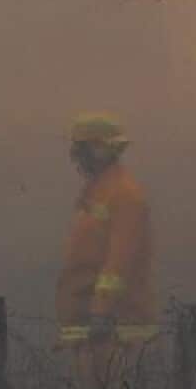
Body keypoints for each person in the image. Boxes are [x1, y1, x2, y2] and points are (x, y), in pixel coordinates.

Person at [54, 113, 156, 360]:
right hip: (91, 329)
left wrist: (101, 312)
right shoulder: (98, 191)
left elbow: (118, 264)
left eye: (82, 148)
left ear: (102, 149)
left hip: (112, 332)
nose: (76, 156)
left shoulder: (124, 195)